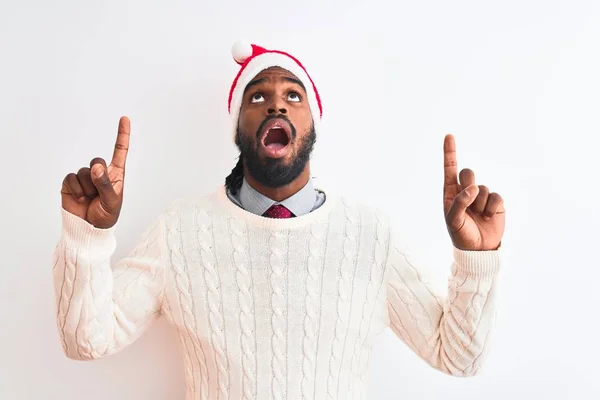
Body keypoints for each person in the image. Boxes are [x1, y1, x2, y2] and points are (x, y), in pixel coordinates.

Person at [53, 41, 505, 400]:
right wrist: (87, 236)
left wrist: (475, 258)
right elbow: (85, 340)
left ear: (312, 123)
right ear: (237, 127)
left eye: (293, 94)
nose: (276, 105)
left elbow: (459, 357)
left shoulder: (372, 236)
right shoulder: (180, 229)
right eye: (258, 96)